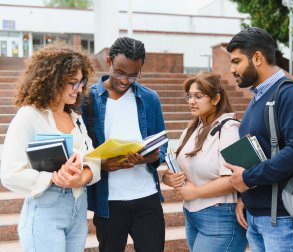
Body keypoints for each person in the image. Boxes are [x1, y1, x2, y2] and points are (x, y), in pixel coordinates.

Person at [0, 44, 101, 251]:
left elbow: (94, 159)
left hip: (78, 208)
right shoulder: (29, 116)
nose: (80, 89)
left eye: (81, 82)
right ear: (52, 82)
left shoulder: (76, 118)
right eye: (73, 83)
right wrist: (54, 178)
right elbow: (9, 173)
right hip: (45, 210)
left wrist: (82, 177)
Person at [224, 27, 293, 252]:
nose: (232, 69)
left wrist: (248, 177)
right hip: (258, 216)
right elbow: (264, 148)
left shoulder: (290, 94)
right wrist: (246, 195)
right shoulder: (260, 97)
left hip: (283, 220)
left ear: (257, 58)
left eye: (236, 61)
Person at [81, 37, 167, 252]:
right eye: (120, 72)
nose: (125, 80)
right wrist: (101, 164)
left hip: (147, 198)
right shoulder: (87, 99)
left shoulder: (150, 98)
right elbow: (80, 150)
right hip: (109, 201)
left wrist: (153, 156)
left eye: (133, 75)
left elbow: (162, 143)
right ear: (109, 60)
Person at [162, 72, 247, 252]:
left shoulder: (229, 129)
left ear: (216, 99)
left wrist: (196, 192)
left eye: (198, 96)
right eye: (190, 96)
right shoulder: (192, 129)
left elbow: (235, 180)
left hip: (220, 216)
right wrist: (170, 179)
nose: (192, 101)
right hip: (192, 215)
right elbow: (179, 169)